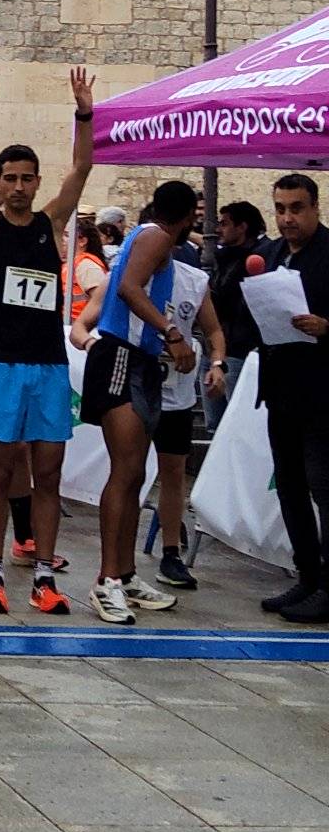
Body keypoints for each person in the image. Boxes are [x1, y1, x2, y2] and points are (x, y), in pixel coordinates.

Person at [0, 64, 93, 616]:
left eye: (26, 178)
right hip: (0, 366)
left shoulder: (51, 224)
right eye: (8, 178)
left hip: (48, 367)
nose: (17, 186)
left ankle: (42, 575)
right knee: (1, 469)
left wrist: (83, 111)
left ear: (36, 182)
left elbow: (82, 166)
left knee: (50, 474)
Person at [77, 180, 199, 626]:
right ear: (186, 216)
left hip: (140, 360)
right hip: (120, 359)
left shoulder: (145, 236)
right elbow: (129, 287)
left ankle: (125, 574)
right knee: (125, 470)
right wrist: (170, 331)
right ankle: (106, 579)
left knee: (135, 474)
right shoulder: (157, 236)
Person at [255, 174, 329, 623]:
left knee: (324, 489)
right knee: (290, 488)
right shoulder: (271, 255)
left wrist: (328, 327)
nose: (287, 218)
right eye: (280, 208)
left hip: (324, 394)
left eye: (296, 208)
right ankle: (308, 575)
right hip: (282, 390)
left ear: (316, 207)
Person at [148, 258, 226, 591]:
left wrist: (218, 363)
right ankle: (116, 561)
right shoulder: (127, 273)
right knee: (128, 471)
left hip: (176, 391)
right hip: (135, 386)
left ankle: (170, 553)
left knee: (174, 471)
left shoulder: (193, 279)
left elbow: (213, 330)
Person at [206, 199, 266, 428]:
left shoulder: (258, 258)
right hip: (217, 345)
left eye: (225, 223)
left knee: (236, 421)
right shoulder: (225, 257)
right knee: (214, 422)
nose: (219, 229)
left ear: (242, 227)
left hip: (239, 347)